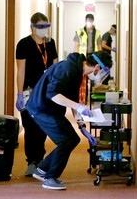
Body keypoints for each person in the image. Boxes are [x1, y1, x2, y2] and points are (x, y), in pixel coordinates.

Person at [26, 50, 113, 190]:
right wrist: (79, 107)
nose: (100, 76)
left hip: (51, 110)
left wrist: (82, 127)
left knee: (73, 139)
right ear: (97, 67)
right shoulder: (68, 68)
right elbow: (52, 94)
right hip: (40, 109)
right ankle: (50, 178)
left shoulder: (77, 71)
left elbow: (73, 100)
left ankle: (42, 170)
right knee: (65, 140)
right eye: (102, 72)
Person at [15, 12, 58, 177]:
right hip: (29, 91)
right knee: (29, 126)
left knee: (42, 127)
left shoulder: (50, 43)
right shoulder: (24, 44)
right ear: (32, 27)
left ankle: (39, 158)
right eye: (40, 27)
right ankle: (31, 161)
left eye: (46, 26)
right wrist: (19, 94)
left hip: (46, 92)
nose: (43, 30)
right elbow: (21, 71)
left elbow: (54, 67)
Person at [73, 14, 102, 104]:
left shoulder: (97, 33)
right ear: (85, 21)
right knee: (83, 78)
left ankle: (93, 97)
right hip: (83, 57)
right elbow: (76, 46)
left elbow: (99, 47)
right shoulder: (80, 32)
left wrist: (100, 60)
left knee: (94, 78)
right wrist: (75, 58)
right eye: (88, 21)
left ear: (93, 21)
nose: (89, 23)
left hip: (94, 58)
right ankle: (84, 99)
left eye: (91, 21)